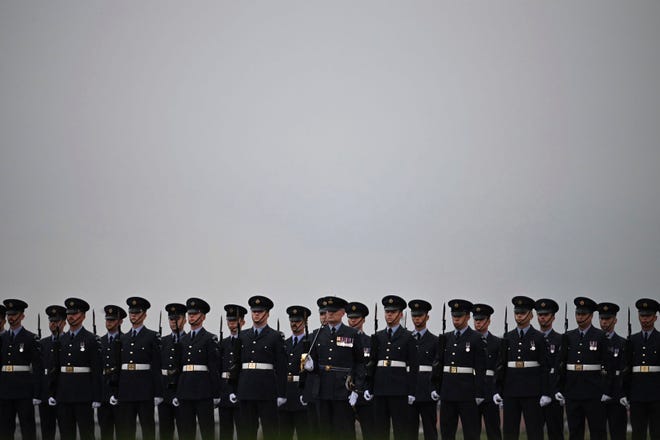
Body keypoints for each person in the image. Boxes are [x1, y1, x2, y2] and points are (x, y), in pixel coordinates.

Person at [303, 296, 364, 440]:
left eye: (333, 311)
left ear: (342, 313)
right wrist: (310, 367)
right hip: (322, 389)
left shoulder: (352, 334)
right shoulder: (317, 334)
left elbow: (359, 363)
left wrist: (357, 389)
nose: (329, 313)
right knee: (324, 431)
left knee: (344, 430)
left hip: (343, 389)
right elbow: (312, 361)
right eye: (327, 311)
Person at [494, 296, 550, 440]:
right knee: (509, 431)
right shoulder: (508, 337)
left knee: (534, 431)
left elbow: (544, 367)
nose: (519, 315)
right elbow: (501, 366)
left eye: (522, 312)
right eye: (517, 312)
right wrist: (498, 390)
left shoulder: (538, 337)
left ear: (530, 315)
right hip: (510, 391)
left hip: (532, 391)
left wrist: (545, 392)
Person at [556, 297, 611, 440]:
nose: (579, 317)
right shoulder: (568, 336)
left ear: (591, 315)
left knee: (597, 431)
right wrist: (560, 388)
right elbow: (562, 364)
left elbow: (608, 365)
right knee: (575, 431)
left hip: (594, 391)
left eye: (583, 314)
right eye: (578, 314)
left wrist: (606, 390)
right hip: (573, 391)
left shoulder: (600, 336)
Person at [365, 295, 418, 440]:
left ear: (400, 314)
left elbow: (413, 367)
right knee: (380, 430)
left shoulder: (408, 337)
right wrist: (369, 387)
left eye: (393, 312)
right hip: (380, 389)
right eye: (387, 311)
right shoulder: (377, 336)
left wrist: (412, 391)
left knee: (401, 429)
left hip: (399, 390)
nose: (389, 315)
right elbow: (372, 364)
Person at [233, 295, 287, 440]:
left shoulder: (275, 336)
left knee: (270, 430)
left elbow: (281, 367)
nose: (256, 314)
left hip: (267, 390)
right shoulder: (242, 336)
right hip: (245, 389)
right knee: (246, 431)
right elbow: (236, 364)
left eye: (260, 311)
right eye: (254, 311)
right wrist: (233, 389)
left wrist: (281, 393)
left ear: (267, 313)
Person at [433, 299, 486, 440]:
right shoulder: (445, 338)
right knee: (446, 432)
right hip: (447, 392)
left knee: (471, 432)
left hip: (467, 393)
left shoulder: (476, 338)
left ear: (468, 317)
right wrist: (436, 387)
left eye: (460, 316)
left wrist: (479, 392)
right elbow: (438, 364)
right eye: (454, 316)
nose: (456, 319)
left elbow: (480, 368)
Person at [52, 297, 102, 440]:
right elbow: (55, 369)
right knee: (66, 434)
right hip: (63, 394)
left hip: (83, 395)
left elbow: (96, 370)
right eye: (69, 313)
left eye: (75, 313)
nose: (71, 317)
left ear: (83, 315)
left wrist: (97, 396)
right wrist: (52, 392)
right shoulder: (60, 340)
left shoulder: (92, 339)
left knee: (87, 433)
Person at [114, 296, 162, 440]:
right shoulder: (122, 338)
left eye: (137, 312)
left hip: (144, 389)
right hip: (126, 389)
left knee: (147, 427)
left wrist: (158, 392)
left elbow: (156, 366)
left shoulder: (152, 336)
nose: (133, 315)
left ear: (144, 314)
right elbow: (118, 366)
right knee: (126, 428)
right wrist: (115, 390)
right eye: (131, 312)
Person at [173, 298, 220, 440]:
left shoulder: (210, 338)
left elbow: (214, 367)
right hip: (185, 389)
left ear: (203, 316)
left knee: (207, 430)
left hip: (203, 390)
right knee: (185, 431)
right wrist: (175, 390)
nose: (191, 316)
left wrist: (216, 393)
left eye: (195, 313)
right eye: (190, 313)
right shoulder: (183, 340)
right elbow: (178, 368)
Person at [0, 299, 41, 440]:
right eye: (8, 314)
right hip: (4, 390)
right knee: (5, 428)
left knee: (27, 427)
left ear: (22, 316)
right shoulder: (2, 339)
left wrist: (36, 393)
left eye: (14, 314)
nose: (11, 317)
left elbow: (37, 368)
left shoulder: (30, 338)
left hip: (24, 390)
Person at [621, 298, 660, 440]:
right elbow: (627, 368)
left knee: (657, 432)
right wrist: (625, 392)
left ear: (655, 317)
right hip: (637, 395)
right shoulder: (632, 340)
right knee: (638, 433)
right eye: (642, 316)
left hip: (657, 395)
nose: (645, 320)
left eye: (648, 316)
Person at [407, 299, 439, 440]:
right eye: (414, 316)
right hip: (409, 391)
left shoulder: (435, 340)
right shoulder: (406, 338)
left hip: (427, 391)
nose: (417, 319)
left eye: (420, 315)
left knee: (430, 430)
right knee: (409, 431)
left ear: (427, 317)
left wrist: (435, 388)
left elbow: (437, 367)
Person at [534, 298, 565, 440]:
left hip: (554, 392)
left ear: (553, 317)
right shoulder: (532, 339)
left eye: (546, 315)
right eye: (540, 314)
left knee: (555, 432)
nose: (542, 318)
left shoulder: (560, 339)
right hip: (535, 392)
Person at [280, 305, 312, 440]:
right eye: (292, 321)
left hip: (301, 394)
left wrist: (307, 394)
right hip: (285, 395)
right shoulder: (283, 343)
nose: (294, 324)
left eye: (297, 321)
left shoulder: (310, 343)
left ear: (305, 322)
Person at [596, 302, 627, 440]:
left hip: (616, 395)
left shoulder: (623, 343)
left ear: (615, 320)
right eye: (602, 319)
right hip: (597, 395)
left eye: (607, 319)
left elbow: (624, 371)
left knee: (618, 433)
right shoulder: (593, 341)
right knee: (598, 433)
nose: (604, 322)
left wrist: (623, 393)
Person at [345, 301, 375, 440]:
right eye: (350, 318)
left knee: (369, 432)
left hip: (363, 394)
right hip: (344, 393)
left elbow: (369, 367)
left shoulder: (370, 341)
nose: (352, 321)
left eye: (356, 318)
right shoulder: (343, 339)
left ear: (363, 319)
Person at [472, 303, 502, 440]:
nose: (478, 323)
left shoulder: (497, 342)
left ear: (488, 321)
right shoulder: (468, 340)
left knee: (493, 430)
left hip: (490, 391)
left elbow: (500, 369)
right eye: (476, 319)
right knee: (472, 430)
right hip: (471, 390)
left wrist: (499, 390)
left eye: (481, 320)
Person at [98, 305, 126, 440]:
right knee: (105, 431)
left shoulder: (125, 340)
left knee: (122, 430)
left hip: (121, 390)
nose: (109, 323)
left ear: (120, 322)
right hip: (103, 391)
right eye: (107, 320)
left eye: (113, 320)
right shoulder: (99, 342)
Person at [218, 304, 246, 440]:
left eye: (235, 321)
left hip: (241, 389)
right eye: (230, 321)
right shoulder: (222, 343)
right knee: (225, 431)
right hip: (224, 390)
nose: (232, 324)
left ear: (242, 322)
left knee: (243, 429)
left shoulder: (246, 341)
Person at [159, 303, 187, 440]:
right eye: (171, 319)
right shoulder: (162, 342)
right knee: (165, 431)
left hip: (183, 390)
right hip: (165, 392)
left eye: (178, 318)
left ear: (185, 320)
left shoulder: (189, 341)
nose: (174, 322)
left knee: (184, 430)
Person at [39, 305, 67, 440]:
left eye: (56, 321)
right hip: (46, 394)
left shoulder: (68, 342)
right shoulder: (43, 343)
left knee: (66, 431)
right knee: (46, 432)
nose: (53, 324)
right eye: (51, 321)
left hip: (63, 394)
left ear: (64, 323)